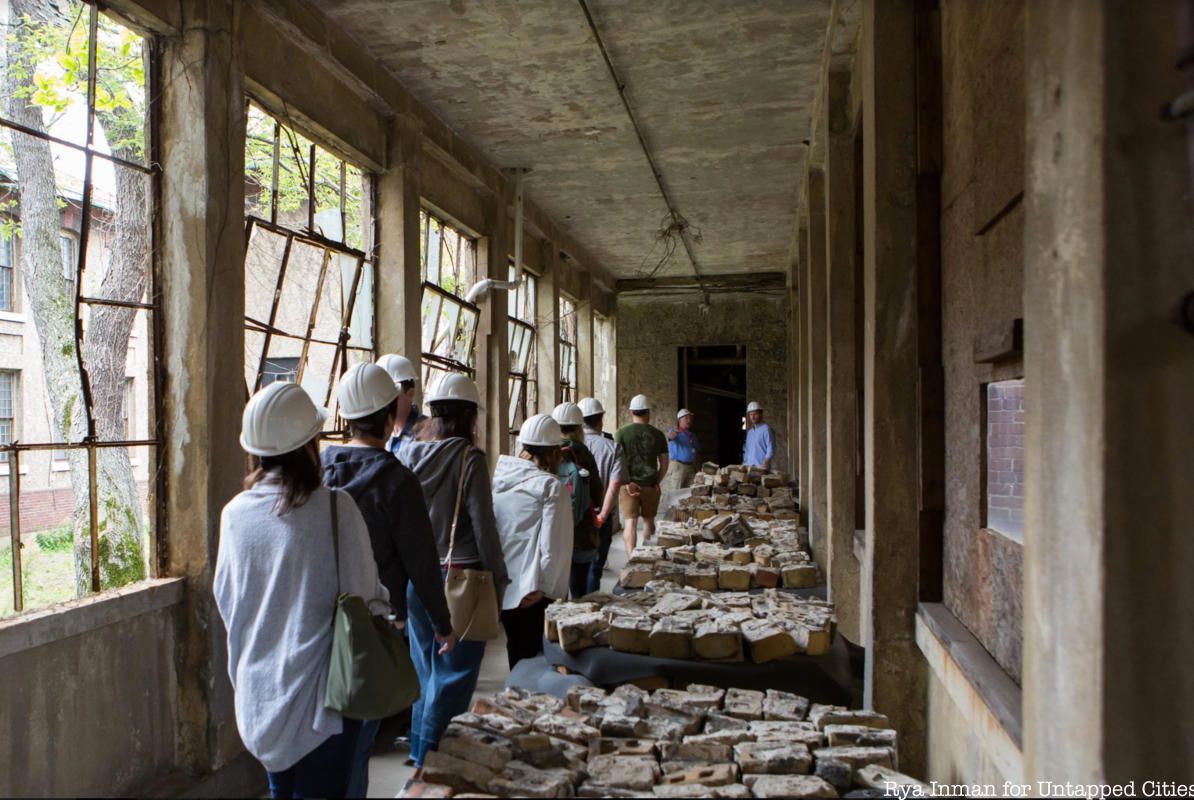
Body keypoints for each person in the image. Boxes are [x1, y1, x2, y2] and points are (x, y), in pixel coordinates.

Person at [215, 382, 389, 798]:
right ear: (310, 444)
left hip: (259, 697)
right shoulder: (335, 508)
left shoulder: (235, 514)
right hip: (322, 702)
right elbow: (365, 594)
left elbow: (227, 599)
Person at [321, 363, 456, 795]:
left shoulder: (318, 469)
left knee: (322, 743)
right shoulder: (397, 480)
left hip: (318, 623)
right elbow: (421, 560)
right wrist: (442, 622)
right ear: (387, 419)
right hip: (374, 628)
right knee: (357, 743)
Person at [398, 373, 508, 771]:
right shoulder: (469, 459)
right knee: (455, 672)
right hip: (459, 577)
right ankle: (433, 752)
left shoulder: (408, 453)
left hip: (417, 576)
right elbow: (483, 526)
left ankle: (417, 748)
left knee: (424, 668)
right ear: (469, 416)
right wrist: (498, 581)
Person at [492, 414, 573, 668]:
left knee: (516, 652)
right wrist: (546, 587)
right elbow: (553, 545)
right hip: (535, 590)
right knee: (539, 661)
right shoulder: (550, 487)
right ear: (554, 452)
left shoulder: (501, 480)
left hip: (507, 587)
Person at [552, 401, 604, 599]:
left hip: (554, 529)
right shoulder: (582, 452)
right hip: (581, 530)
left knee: (555, 587)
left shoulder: (546, 452)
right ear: (579, 427)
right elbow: (597, 492)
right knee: (579, 586)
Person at [613, 394, 669, 555]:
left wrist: (624, 483)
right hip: (650, 484)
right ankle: (647, 557)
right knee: (649, 521)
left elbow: (617, 461)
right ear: (647, 412)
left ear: (632, 412)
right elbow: (664, 463)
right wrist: (657, 480)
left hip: (628, 485)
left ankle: (632, 558)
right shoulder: (658, 434)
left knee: (630, 523)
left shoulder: (621, 433)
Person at [579, 397, 624, 594]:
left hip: (576, 516)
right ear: (600, 421)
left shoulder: (566, 448)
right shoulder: (612, 447)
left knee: (574, 568)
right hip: (599, 516)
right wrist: (603, 516)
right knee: (595, 567)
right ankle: (591, 610)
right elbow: (614, 486)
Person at [377, 354, 426, 457]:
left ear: (411, 393)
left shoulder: (426, 435)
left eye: (392, 395)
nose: (385, 401)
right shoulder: (378, 433)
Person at [665, 408, 699, 490]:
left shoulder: (692, 435)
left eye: (690, 418)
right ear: (680, 420)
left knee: (690, 492)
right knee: (676, 492)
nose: (689, 420)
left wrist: (698, 468)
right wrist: (674, 433)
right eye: (686, 418)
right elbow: (670, 436)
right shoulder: (675, 431)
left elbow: (696, 452)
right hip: (678, 466)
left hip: (691, 467)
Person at [743, 400, 776, 470]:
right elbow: (747, 450)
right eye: (751, 414)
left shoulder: (766, 429)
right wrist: (744, 464)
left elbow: (770, 448)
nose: (753, 417)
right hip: (749, 469)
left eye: (755, 414)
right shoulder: (750, 433)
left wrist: (766, 462)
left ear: (760, 414)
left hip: (761, 469)